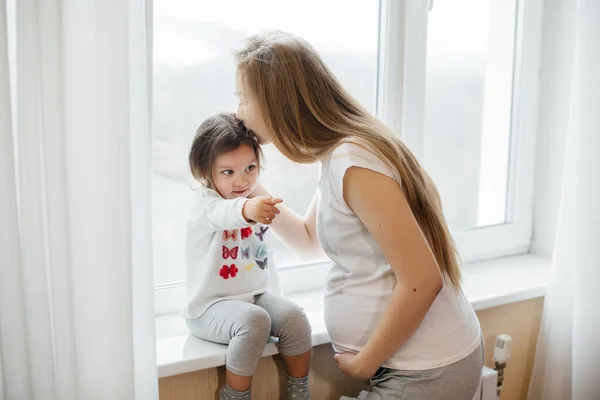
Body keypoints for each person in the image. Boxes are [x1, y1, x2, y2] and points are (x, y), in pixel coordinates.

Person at [234, 31, 483, 400]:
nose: (238, 112)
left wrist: (366, 362)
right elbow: (306, 238)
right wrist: (246, 185)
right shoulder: (335, 155)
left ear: (276, 104)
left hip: (427, 370)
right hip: (413, 366)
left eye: (243, 99)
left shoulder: (353, 162)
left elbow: (422, 279)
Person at [185, 113, 312, 400]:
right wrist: (248, 209)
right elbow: (225, 214)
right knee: (254, 322)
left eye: (250, 168)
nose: (242, 181)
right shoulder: (205, 205)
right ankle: (235, 397)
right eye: (227, 172)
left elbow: (264, 261)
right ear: (206, 173)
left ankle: (299, 393)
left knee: (295, 318)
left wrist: (277, 302)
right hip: (208, 308)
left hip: (253, 297)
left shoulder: (255, 199)